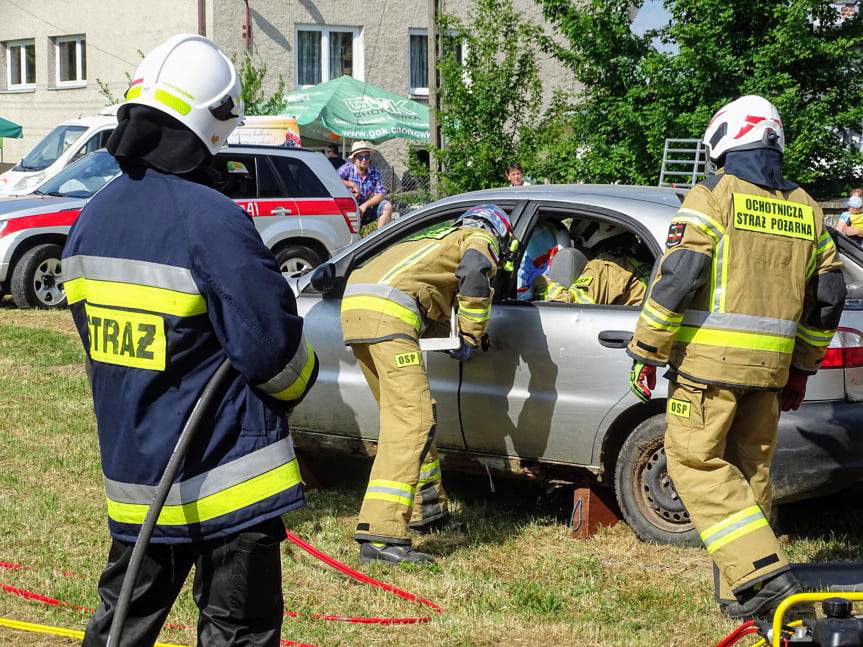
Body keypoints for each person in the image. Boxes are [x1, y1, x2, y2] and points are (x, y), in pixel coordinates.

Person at [63, 34, 318, 646]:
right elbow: (274, 353)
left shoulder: (90, 218)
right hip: (230, 476)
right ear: (212, 122)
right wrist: (296, 385)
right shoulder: (210, 218)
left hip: (137, 475)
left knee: (120, 626)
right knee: (237, 631)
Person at [626, 95, 845, 621]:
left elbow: (680, 276)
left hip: (708, 368)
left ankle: (764, 580)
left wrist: (647, 348)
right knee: (751, 477)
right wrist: (801, 367)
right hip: (770, 374)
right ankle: (741, 596)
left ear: (724, 140)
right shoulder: (808, 207)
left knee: (694, 464)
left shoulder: (713, 196)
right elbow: (830, 295)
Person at [340, 204, 511, 565]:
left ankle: (426, 508)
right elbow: (475, 272)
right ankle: (381, 534)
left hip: (356, 312)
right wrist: (471, 334)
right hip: (389, 317)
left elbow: (423, 285)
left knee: (403, 417)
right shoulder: (478, 236)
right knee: (413, 421)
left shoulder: (430, 238)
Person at [536, 221, 652, 305]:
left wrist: (542, 283)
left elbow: (571, 307)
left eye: (576, 242)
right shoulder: (634, 262)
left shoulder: (603, 267)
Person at [338, 141, 393, 236]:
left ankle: (380, 239)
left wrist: (365, 205)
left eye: (367, 157)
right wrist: (351, 184)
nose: (364, 160)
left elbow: (380, 194)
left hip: (365, 209)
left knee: (387, 206)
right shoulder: (347, 169)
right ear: (354, 159)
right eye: (360, 157)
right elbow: (331, 179)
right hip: (348, 209)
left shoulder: (374, 172)